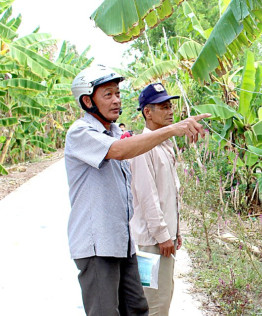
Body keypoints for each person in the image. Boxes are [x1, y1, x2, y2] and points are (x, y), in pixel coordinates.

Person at [65, 65, 209, 316]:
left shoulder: (117, 132)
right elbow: (120, 153)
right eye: (108, 94)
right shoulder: (81, 132)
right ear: (88, 101)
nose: (116, 100)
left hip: (124, 243)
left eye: (118, 93)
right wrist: (174, 129)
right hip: (98, 246)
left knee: (138, 308)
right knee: (105, 312)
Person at [129, 83, 184, 315]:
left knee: (164, 295)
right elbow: (147, 196)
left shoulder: (165, 144)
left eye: (170, 106)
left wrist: (175, 232)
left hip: (163, 238)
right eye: (163, 107)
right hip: (152, 242)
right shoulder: (143, 148)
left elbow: (169, 195)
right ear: (147, 112)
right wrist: (163, 235)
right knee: (154, 303)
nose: (170, 111)